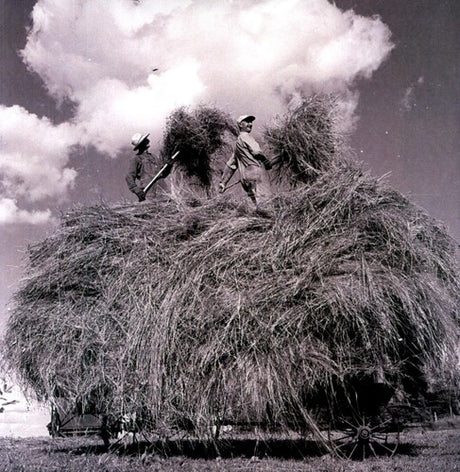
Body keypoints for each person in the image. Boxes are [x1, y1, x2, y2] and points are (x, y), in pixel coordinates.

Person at [219, 115, 272, 206]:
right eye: (247, 122)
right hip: (255, 173)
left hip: (246, 177)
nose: (250, 124)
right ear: (240, 124)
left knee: (254, 204)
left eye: (251, 122)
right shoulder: (246, 137)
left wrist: (223, 183)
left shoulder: (238, 143)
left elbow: (231, 164)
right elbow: (257, 152)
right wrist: (266, 162)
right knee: (265, 202)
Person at [125, 133, 173, 202]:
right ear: (141, 145)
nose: (148, 141)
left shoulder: (154, 157)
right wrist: (137, 190)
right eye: (145, 140)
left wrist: (169, 166)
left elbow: (163, 174)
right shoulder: (136, 159)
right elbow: (129, 177)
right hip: (149, 194)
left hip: (164, 192)